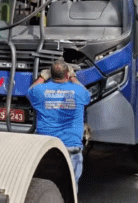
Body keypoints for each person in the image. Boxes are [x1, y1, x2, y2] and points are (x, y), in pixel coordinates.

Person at [27, 60, 90, 191]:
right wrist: (73, 77)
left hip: (47, 147)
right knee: (70, 188)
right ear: (67, 75)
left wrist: (42, 77)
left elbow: (30, 91)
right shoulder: (78, 91)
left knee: (47, 187)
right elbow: (87, 95)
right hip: (71, 147)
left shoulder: (40, 90)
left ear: (51, 74)